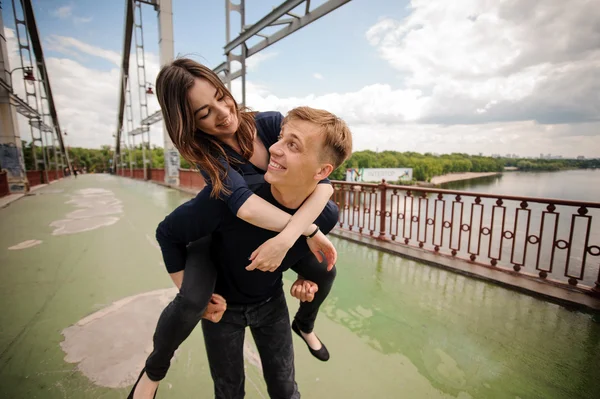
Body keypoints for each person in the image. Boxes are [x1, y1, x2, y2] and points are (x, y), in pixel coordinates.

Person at [129, 59, 343, 399]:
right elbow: (242, 204)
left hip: (266, 265)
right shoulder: (210, 162)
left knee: (325, 265)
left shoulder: (272, 125)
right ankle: (153, 373)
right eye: (204, 113)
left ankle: (305, 324)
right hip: (225, 249)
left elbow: (325, 187)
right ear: (190, 123)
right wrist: (307, 232)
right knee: (195, 303)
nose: (223, 114)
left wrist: (295, 239)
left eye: (220, 96)